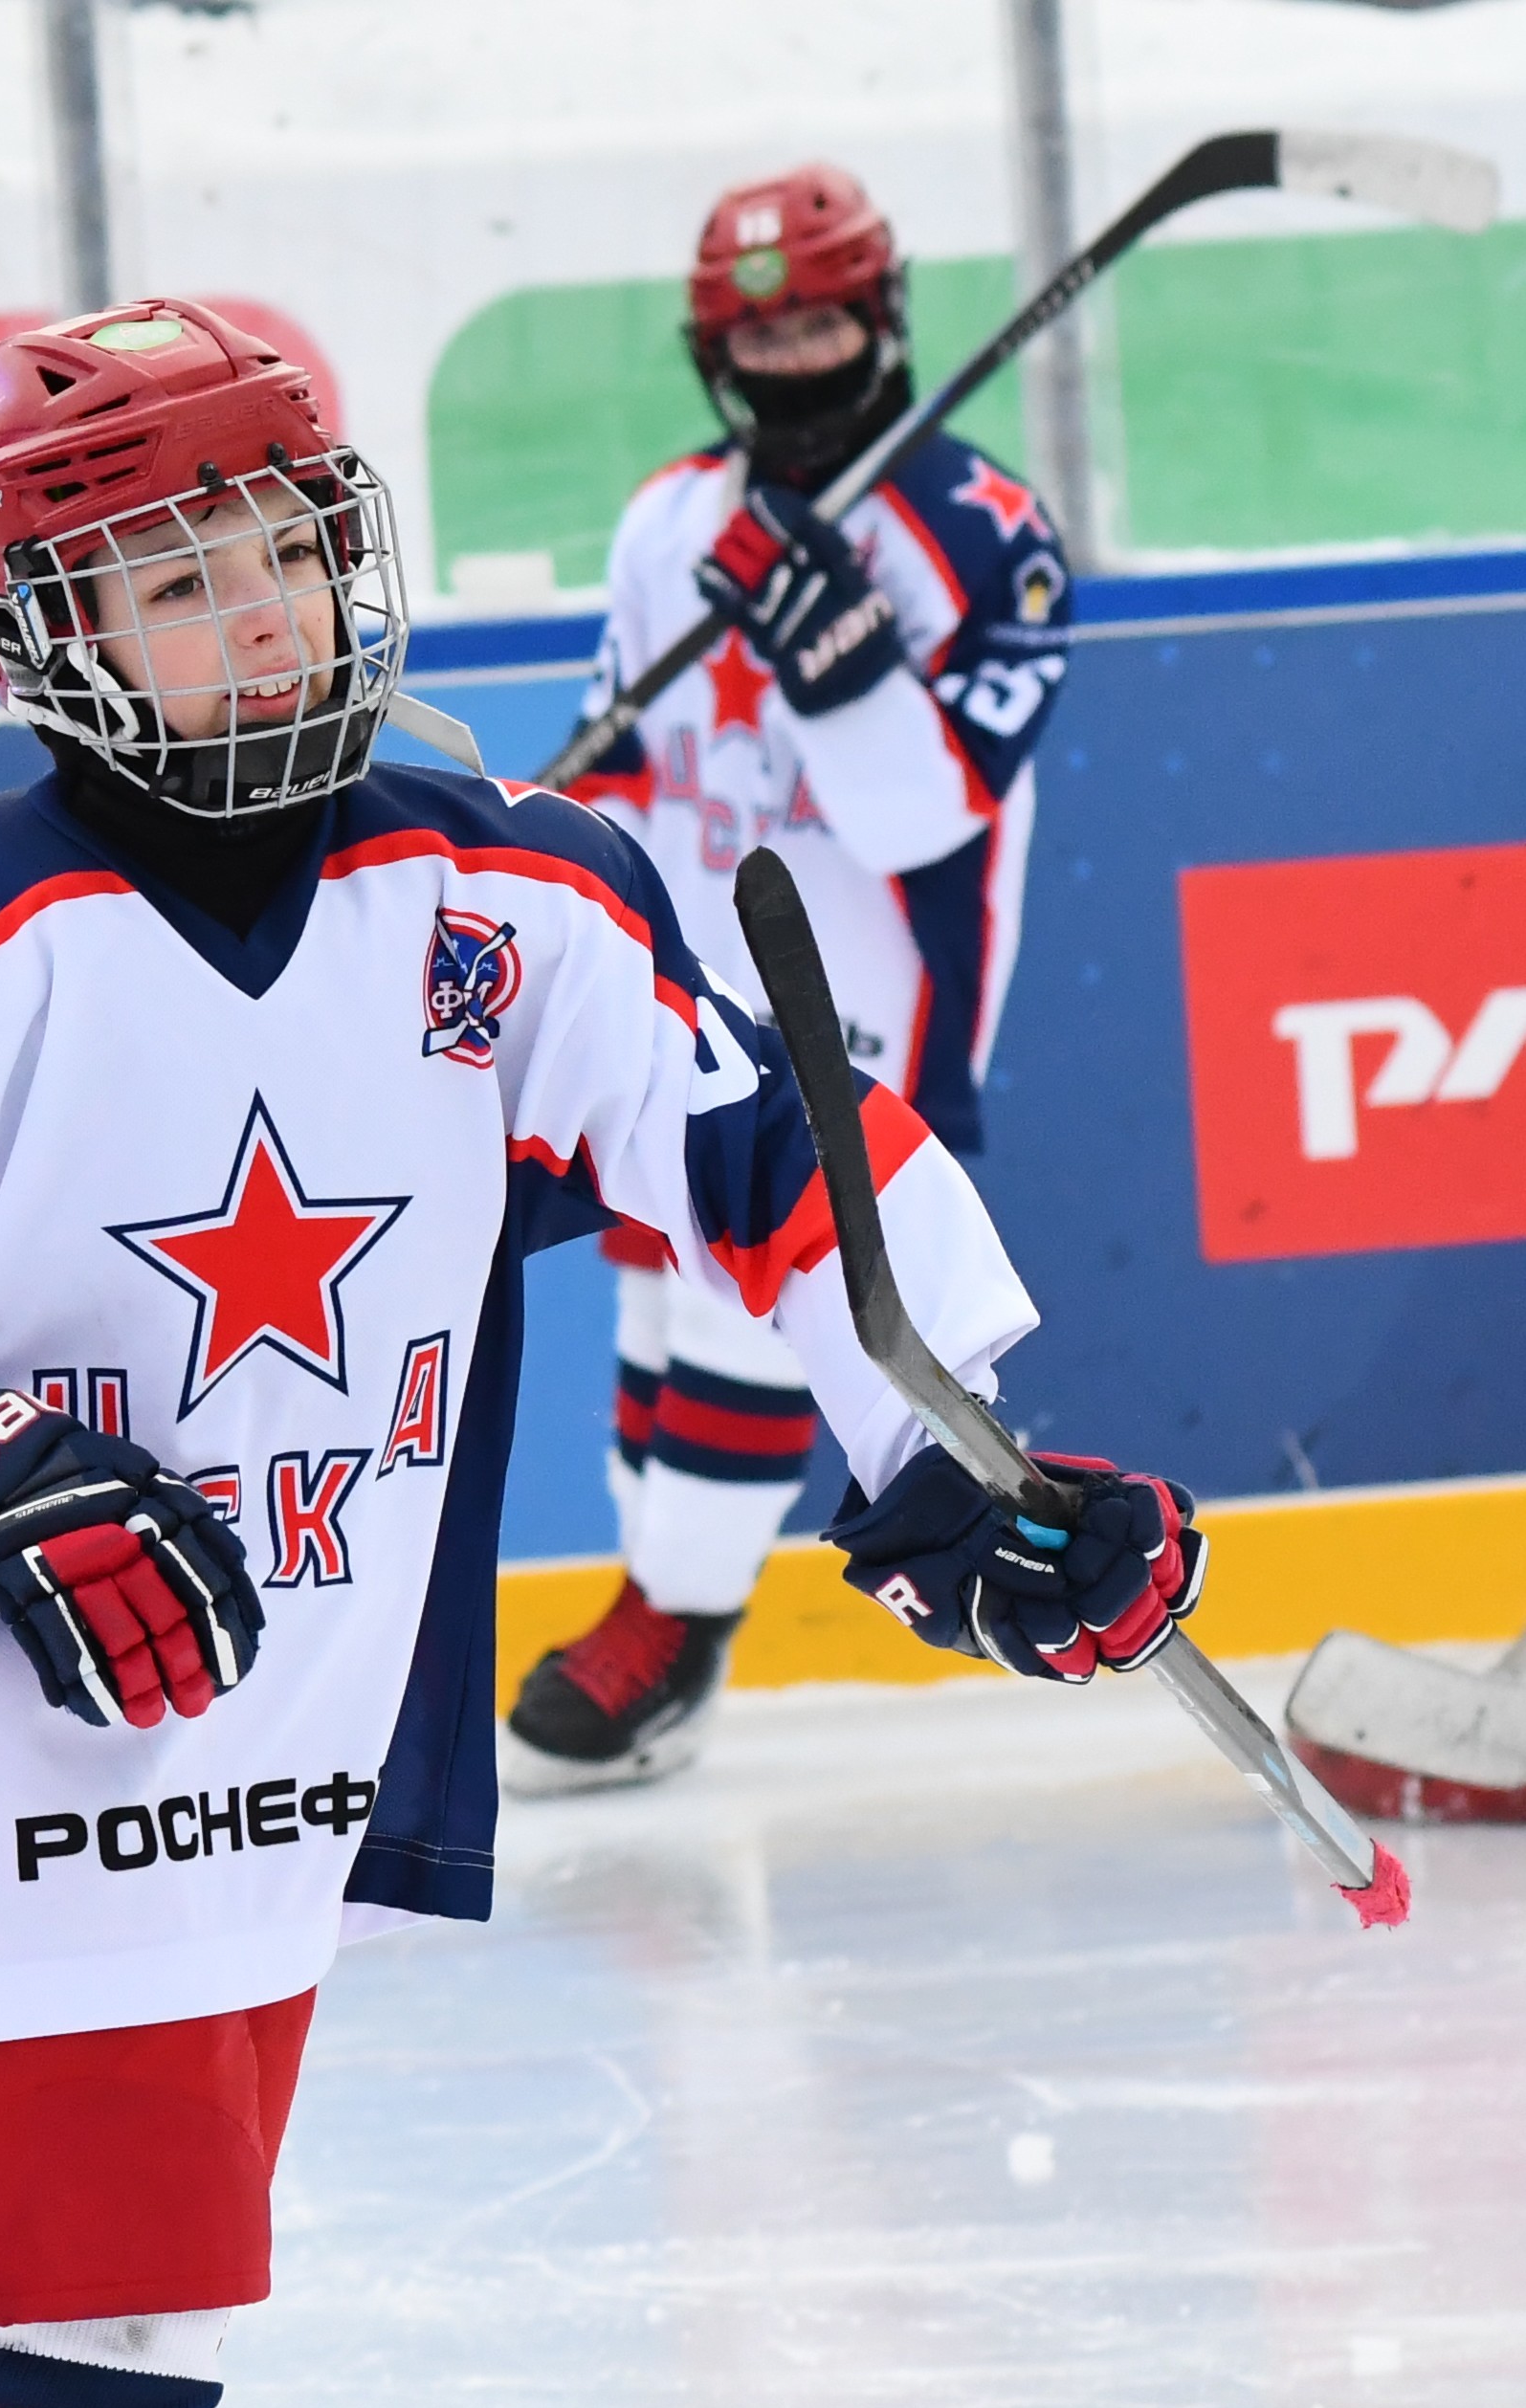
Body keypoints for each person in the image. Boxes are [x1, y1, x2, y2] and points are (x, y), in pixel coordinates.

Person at [0, 300, 1194, 2408]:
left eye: (280, 548)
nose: (254, 616)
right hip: (14, 1740)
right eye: (167, 577)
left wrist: (951, 1458)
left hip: (282, 1725)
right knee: (105, 2327)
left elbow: (768, 1149)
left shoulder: (504, 887)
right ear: (33, 636)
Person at [508, 161, 1072, 1781]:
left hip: (867, 988)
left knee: (763, 1310)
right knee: (653, 1284)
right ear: (714, 353)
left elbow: (922, 816)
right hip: (686, 966)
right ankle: (662, 1592)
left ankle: (671, 1623)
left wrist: (838, 667)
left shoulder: (981, 536)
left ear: (884, 318)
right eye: (763, 333)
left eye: (824, 320)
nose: (797, 358)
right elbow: (626, 763)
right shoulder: (668, 520)